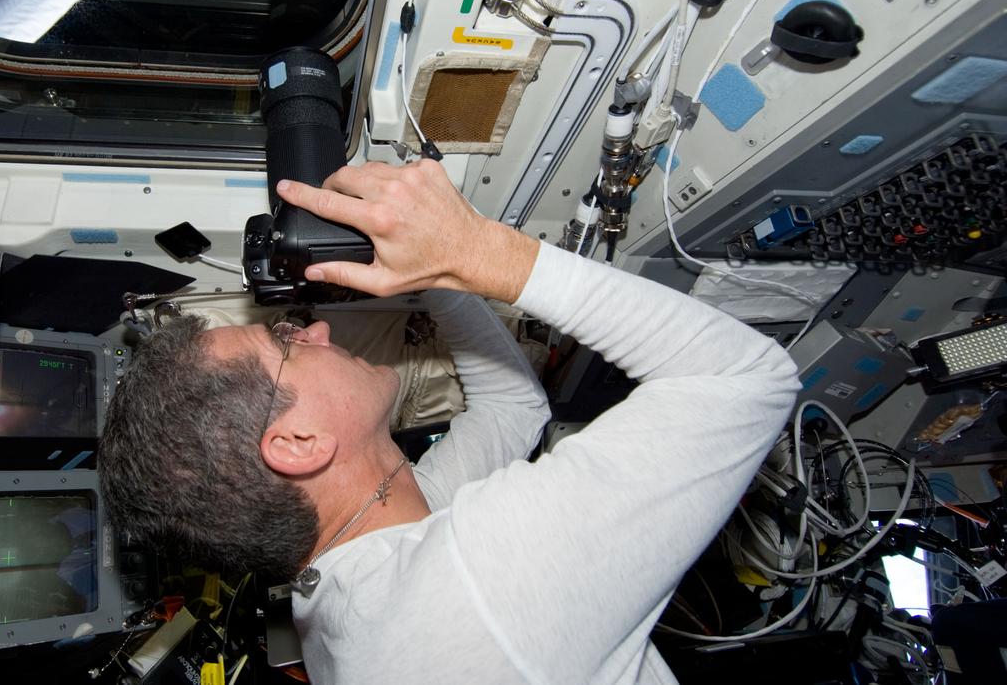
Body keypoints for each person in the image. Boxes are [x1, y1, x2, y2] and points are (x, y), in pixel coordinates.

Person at [99, 158, 801, 684]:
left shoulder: (345, 578)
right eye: (284, 343)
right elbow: (746, 379)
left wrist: (435, 276)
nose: (312, 331)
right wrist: (478, 250)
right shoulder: (482, 579)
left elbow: (514, 410)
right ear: (299, 443)